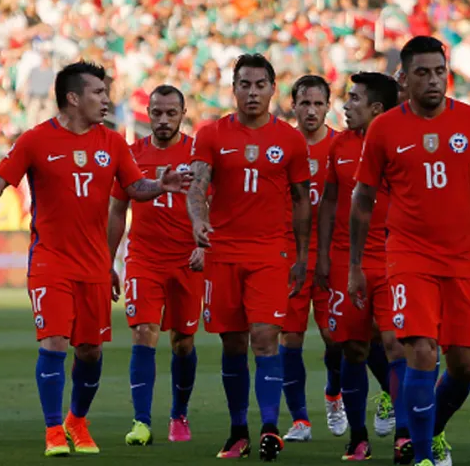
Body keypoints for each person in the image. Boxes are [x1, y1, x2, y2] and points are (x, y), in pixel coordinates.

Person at [0, 61, 191, 457]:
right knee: (54, 342)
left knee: (90, 351)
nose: (106, 100)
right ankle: (53, 430)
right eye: (98, 93)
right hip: (50, 261)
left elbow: (135, 187)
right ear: (73, 97)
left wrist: (160, 185)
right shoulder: (36, 141)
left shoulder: (113, 143)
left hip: (94, 265)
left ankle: (77, 422)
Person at [350, 36, 470, 466]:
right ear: (405, 79)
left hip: (461, 258)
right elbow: (362, 199)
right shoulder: (385, 128)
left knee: (464, 365)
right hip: (408, 257)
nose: (433, 80)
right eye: (423, 73)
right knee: (421, 350)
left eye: (439, 71)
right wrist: (355, 264)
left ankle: (433, 428)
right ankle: (422, 454)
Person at [187, 53, 312, 461]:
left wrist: (302, 254)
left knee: (265, 337)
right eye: (245, 84)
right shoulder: (210, 134)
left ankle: (271, 428)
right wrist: (197, 221)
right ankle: (238, 429)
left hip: (271, 254)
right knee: (233, 342)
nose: (253, 92)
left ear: (273, 89)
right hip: (223, 253)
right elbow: (197, 186)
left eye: (260, 84)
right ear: (234, 88)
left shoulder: (291, 140)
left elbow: (301, 201)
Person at [315, 71, 406, 462]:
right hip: (345, 260)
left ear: (376, 109)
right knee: (351, 347)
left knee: (395, 345)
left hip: (394, 258)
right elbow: (329, 203)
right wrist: (320, 255)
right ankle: (358, 436)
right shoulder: (338, 146)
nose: (345, 105)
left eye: (354, 99)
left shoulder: (402, 144)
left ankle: (405, 432)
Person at [106, 84, 203, 446]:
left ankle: (179, 415)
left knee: (183, 341)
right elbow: (118, 209)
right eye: (157, 112)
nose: (163, 120)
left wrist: (205, 246)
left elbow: (217, 206)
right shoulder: (132, 155)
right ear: (148, 113)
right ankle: (141, 422)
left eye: (171, 113)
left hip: (187, 261)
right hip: (144, 259)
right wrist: (108, 260)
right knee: (143, 332)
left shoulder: (198, 155)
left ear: (183, 113)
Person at [279, 74, 347, 442]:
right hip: (289, 257)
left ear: (328, 106)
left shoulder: (341, 146)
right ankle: (300, 420)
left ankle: (334, 395)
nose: (311, 110)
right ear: (293, 105)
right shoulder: (282, 145)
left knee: (334, 339)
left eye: (318, 104)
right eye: (304, 103)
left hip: (330, 257)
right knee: (289, 339)